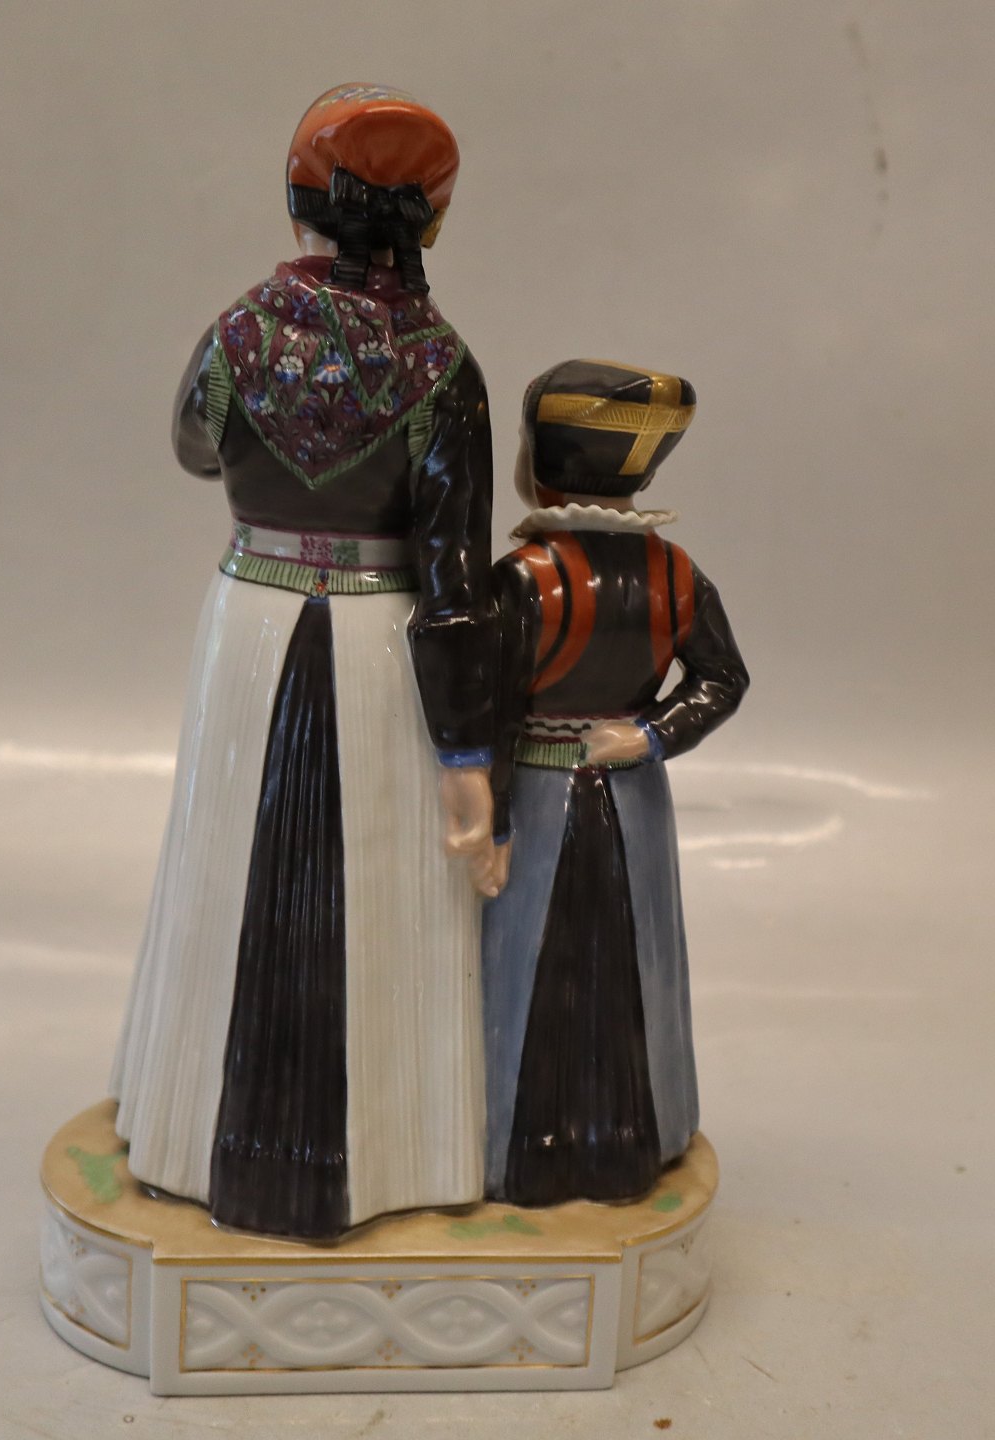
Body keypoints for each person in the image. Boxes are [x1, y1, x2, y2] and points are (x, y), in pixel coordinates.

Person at [110, 85, 496, 1240]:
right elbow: (454, 577)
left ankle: (192, 1129)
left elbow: (192, 447)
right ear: (431, 223)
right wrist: (466, 752)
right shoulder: (441, 367)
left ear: (297, 205)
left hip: (253, 613)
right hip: (381, 637)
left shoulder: (237, 334)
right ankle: (389, 1151)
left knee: (226, 857)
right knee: (382, 891)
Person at [481, 360, 749, 1206]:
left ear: (541, 460)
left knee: (526, 965)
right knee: (630, 962)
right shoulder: (674, 572)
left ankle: (514, 1149)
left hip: (534, 796)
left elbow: (488, 713)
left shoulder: (521, 579)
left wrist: (485, 816)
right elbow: (722, 680)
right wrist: (651, 736)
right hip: (630, 798)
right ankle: (632, 1134)